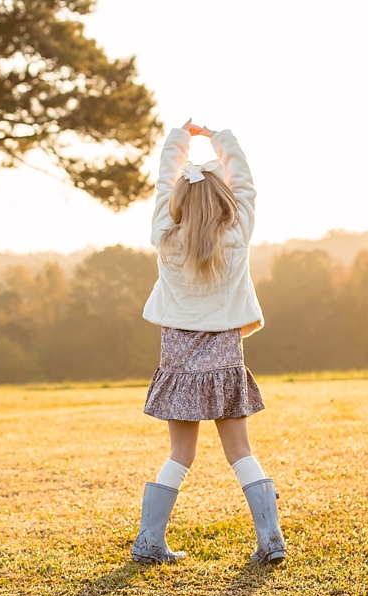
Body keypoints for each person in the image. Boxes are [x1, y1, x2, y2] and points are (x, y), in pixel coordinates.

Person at [130, 119, 286, 566]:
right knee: (241, 452)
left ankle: (149, 542)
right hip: (224, 359)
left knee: (180, 454)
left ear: (176, 203)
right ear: (225, 202)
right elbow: (246, 181)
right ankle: (270, 539)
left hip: (177, 362)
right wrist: (221, 140)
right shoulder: (237, 237)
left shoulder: (165, 238)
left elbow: (164, 179)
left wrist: (180, 141)